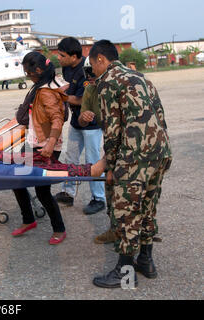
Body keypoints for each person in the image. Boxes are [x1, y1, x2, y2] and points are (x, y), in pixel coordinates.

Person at [88, 40, 172, 288]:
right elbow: (161, 117)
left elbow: (112, 131)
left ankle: (125, 272)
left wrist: (110, 166)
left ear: (101, 59)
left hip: (133, 158)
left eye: (92, 64)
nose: (92, 70)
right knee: (147, 208)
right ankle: (146, 261)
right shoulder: (141, 77)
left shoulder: (108, 83)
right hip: (160, 153)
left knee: (126, 214)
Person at [14, 51, 69, 245]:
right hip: (32, 142)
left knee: (42, 191)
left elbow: (57, 118)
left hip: (46, 146)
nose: (27, 76)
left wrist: (51, 144)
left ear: (37, 70)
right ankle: (29, 220)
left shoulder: (46, 91)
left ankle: (59, 228)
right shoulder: (41, 86)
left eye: (28, 72)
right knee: (16, 181)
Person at [55, 37, 106, 215]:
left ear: (74, 56)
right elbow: (69, 89)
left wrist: (58, 96)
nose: (58, 58)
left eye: (62, 55)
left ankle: (98, 198)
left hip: (91, 124)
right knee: (71, 157)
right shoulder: (67, 68)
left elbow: (81, 99)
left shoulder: (87, 70)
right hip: (77, 122)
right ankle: (68, 192)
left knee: (92, 162)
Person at [77, 57, 117, 244]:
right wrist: (84, 117)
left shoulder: (117, 88)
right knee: (112, 190)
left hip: (130, 148)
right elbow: (81, 122)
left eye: (92, 70)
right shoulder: (91, 90)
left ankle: (136, 249)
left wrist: (104, 162)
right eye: (88, 72)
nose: (90, 75)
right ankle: (115, 229)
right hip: (113, 145)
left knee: (130, 196)